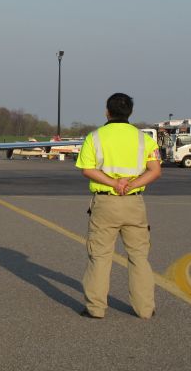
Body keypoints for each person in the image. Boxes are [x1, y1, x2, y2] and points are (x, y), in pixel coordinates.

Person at [75, 93, 161, 319]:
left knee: (100, 256)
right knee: (139, 256)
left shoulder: (94, 137)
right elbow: (155, 171)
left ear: (107, 111)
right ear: (130, 113)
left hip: (105, 203)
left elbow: (87, 169)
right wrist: (130, 186)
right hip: (134, 204)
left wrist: (114, 183)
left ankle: (95, 308)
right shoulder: (145, 139)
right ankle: (145, 309)